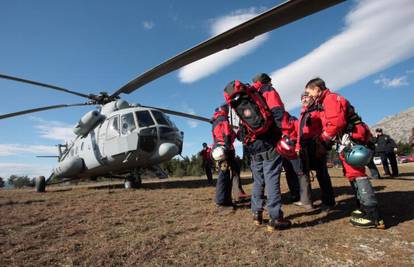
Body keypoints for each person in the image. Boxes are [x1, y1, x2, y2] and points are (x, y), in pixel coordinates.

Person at [305, 77, 384, 229]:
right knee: (352, 173)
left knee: (357, 173)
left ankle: (372, 214)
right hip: (347, 139)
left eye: (309, 92)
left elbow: (336, 123)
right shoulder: (325, 102)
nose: (309, 96)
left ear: (317, 89)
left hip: (351, 139)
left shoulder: (330, 99)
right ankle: (363, 208)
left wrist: (323, 139)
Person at [224, 74, 291, 231]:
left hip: (252, 146)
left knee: (258, 180)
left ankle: (256, 214)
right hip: (269, 142)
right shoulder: (267, 91)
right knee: (272, 179)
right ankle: (275, 217)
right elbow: (279, 114)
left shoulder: (238, 100)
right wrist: (286, 134)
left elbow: (237, 128)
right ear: (267, 81)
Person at [297, 91, 335, 211]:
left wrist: (322, 142)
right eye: (302, 98)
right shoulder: (302, 113)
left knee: (322, 174)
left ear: (312, 98)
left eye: (306, 97)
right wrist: (297, 146)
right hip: (304, 146)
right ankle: (307, 202)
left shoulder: (318, 109)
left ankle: (328, 202)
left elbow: (326, 125)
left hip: (316, 144)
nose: (304, 99)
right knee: (303, 175)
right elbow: (299, 133)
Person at [279, 111, 312, 209]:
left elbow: (299, 132)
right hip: (286, 147)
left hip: (290, 146)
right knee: (292, 172)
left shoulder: (289, 118)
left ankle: (305, 199)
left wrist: (298, 145)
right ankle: (297, 196)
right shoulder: (282, 118)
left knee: (298, 173)